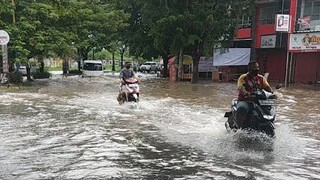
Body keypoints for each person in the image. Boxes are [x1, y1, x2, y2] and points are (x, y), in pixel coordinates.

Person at [234, 61, 273, 128]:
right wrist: (245, 93)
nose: (256, 69)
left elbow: (268, 88)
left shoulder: (261, 78)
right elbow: (240, 87)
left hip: (259, 101)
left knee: (270, 109)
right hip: (245, 100)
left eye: (257, 67)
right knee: (241, 108)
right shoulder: (243, 77)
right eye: (254, 68)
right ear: (249, 69)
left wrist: (272, 93)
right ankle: (239, 129)